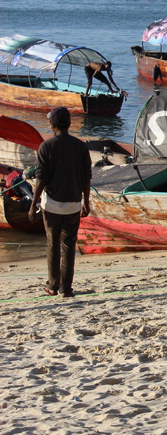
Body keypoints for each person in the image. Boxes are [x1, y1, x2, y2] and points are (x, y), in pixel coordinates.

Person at [27, 107, 92, 298]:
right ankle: (66, 289)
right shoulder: (80, 147)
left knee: (53, 244)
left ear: (52, 125)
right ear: (69, 124)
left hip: (52, 205)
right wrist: (86, 202)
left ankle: (53, 286)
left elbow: (41, 179)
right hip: (73, 204)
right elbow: (86, 178)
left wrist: (33, 205)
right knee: (68, 246)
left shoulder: (46, 147)